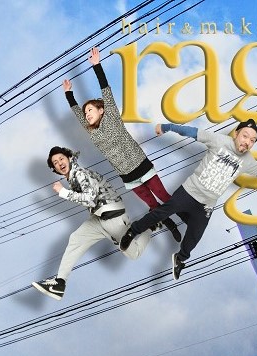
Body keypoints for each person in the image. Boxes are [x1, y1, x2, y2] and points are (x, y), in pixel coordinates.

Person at [120, 119, 257, 281]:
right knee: (160, 213)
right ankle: (132, 231)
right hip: (189, 192)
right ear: (236, 134)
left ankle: (180, 258)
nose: (247, 142)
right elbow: (191, 132)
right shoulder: (219, 140)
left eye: (252, 140)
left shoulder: (248, 161)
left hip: (206, 205)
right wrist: (166, 127)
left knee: (195, 235)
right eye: (245, 136)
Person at [65, 46, 183, 241]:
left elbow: (106, 91)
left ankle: (185, 216)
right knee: (152, 205)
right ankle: (170, 224)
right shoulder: (92, 132)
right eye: (85, 113)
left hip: (140, 164)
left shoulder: (111, 115)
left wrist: (96, 66)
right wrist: (69, 94)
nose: (87, 114)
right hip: (127, 175)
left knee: (163, 196)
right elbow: (78, 114)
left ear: (101, 110)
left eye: (90, 110)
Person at [32, 146, 154, 300]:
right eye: (55, 163)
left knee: (134, 253)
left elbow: (90, 198)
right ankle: (60, 283)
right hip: (99, 218)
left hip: (113, 216)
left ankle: (151, 225)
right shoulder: (72, 177)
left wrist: (63, 192)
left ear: (68, 158)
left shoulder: (80, 173)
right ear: (54, 169)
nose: (60, 163)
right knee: (76, 239)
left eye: (61, 159)